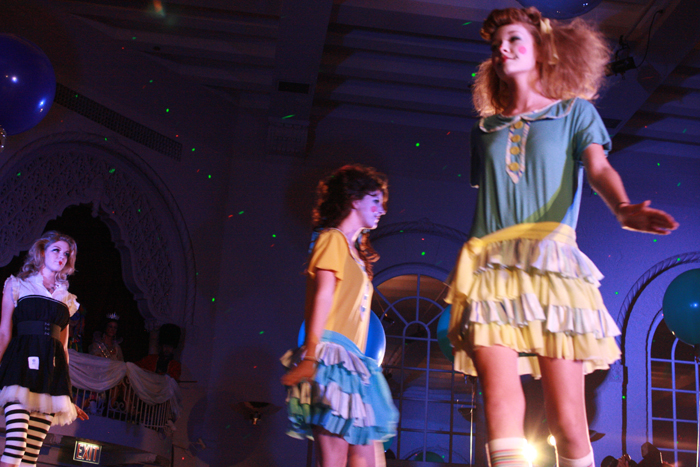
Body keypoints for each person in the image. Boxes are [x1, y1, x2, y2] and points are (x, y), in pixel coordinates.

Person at [445, 7, 679, 467]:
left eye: (513, 39)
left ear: (542, 49)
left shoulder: (575, 113)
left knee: (567, 418)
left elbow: (599, 169)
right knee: (498, 402)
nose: (502, 49)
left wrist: (624, 209)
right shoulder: (485, 129)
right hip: (489, 266)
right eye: (496, 44)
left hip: (552, 260)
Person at [280, 164, 398, 467]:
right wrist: (311, 356)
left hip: (355, 363)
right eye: (375, 200)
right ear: (354, 200)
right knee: (334, 460)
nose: (382, 209)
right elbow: (323, 295)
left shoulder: (356, 255)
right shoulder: (332, 239)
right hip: (331, 357)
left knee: (366, 460)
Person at [0, 231, 88, 466]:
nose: (61, 257)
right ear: (41, 252)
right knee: (16, 448)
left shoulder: (67, 298)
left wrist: (67, 393)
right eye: (56, 250)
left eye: (66, 254)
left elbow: (63, 348)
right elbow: (4, 333)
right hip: (20, 370)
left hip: (50, 377)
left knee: (31, 456)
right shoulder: (18, 285)